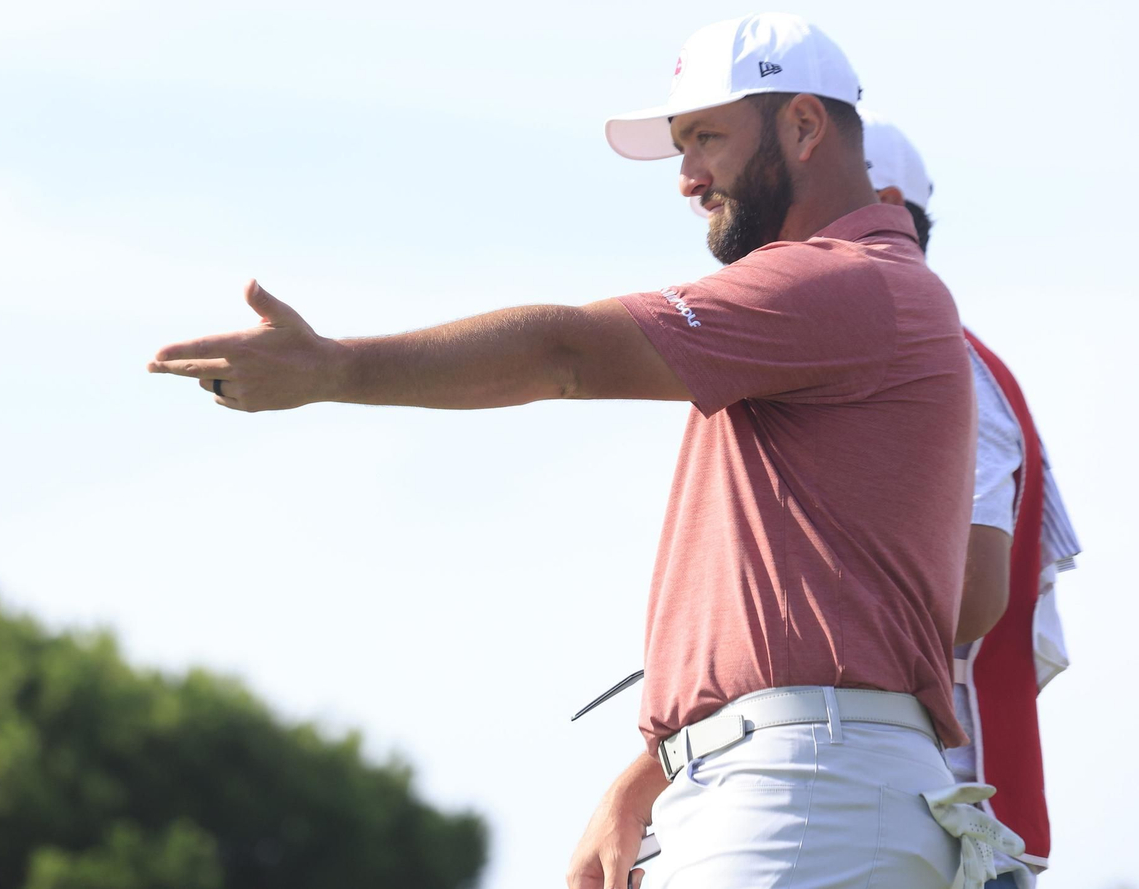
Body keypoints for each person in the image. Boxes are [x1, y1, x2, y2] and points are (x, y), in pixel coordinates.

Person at [148, 13, 1015, 887]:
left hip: (804, 788)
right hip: (802, 783)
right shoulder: (852, 302)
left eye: (706, 137)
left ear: (801, 125)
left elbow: (564, 354)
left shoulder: (843, 281)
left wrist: (336, 370)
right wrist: (657, 768)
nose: (686, 178)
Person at [861, 111, 1083, 889]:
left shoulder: (939, 360)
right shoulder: (958, 356)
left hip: (939, 816)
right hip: (930, 813)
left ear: (881, 200)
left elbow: (971, 598)